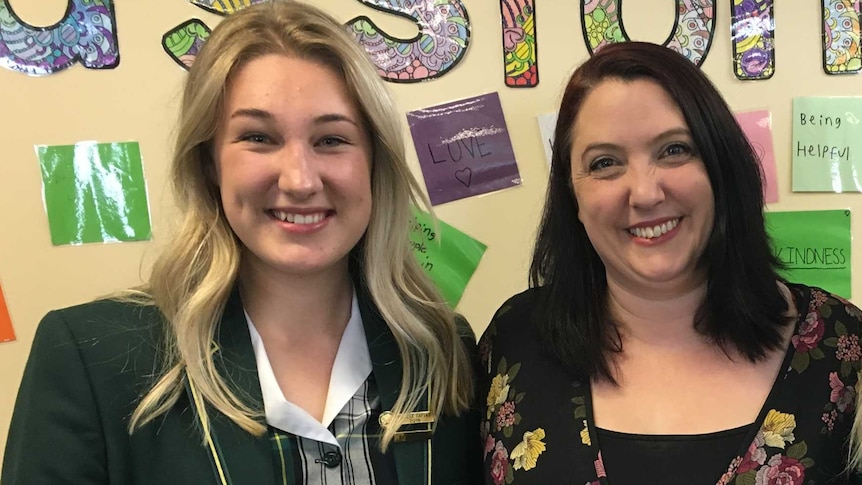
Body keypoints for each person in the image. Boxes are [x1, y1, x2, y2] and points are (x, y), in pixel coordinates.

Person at [2, 2, 481, 483]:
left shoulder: (440, 348)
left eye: (331, 140)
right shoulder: (91, 355)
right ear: (209, 163)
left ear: (374, 163)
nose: (299, 179)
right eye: (258, 137)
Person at [478, 41, 862, 485]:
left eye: (674, 150)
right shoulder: (514, 341)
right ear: (573, 198)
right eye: (604, 163)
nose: (644, 193)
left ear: (722, 167)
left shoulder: (842, 349)